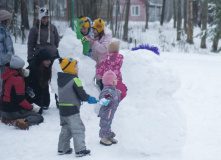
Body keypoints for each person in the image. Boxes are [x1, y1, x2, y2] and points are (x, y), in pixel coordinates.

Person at [57, 57, 97, 157]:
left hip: (62, 109)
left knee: (66, 128)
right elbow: (82, 95)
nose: (77, 69)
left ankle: (62, 148)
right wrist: (90, 99)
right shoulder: (75, 80)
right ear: (70, 68)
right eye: (76, 67)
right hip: (72, 109)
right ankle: (80, 150)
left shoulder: (60, 79)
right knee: (78, 129)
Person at [1, 54, 43, 130]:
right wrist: (32, 108)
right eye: (22, 66)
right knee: (38, 117)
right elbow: (21, 100)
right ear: (19, 67)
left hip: (4, 111)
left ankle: (7, 120)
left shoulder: (6, 76)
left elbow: (2, 94)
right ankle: (21, 122)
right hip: (14, 111)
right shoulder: (17, 79)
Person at [84, 18, 112, 88]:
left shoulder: (107, 37)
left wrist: (93, 42)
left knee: (105, 87)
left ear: (99, 29)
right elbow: (92, 46)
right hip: (98, 67)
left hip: (105, 67)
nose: (92, 31)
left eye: (94, 29)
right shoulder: (96, 38)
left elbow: (103, 48)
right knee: (99, 87)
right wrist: (87, 42)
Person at [99, 70, 121, 146]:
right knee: (105, 124)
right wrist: (106, 99)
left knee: (109, 123)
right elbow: (102, 100)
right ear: (110, 81)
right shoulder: (107, 90)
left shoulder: (114, 90)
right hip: (106, 111)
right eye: (115, 79)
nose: (116, 80)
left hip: (111, 111)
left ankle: (109, 135)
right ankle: (103, 138)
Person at [0, 10, 14, 94]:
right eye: (8, 19)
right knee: (2, 83)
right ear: (4, 20)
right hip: (3, 62)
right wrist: (7, 60)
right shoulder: (2, 32)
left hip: (5, 61)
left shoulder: (4, 31)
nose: (9, 21)